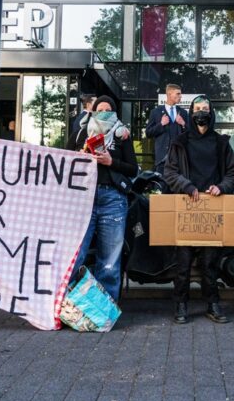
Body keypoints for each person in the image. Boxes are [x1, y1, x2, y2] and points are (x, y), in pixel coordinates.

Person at [164, 95, 234, 324]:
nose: (201, 112)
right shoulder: (180, 142)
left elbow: (232, 173)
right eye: (197, 109)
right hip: (186, 209)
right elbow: (169, 172)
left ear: (211, 112)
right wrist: (186, 185)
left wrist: (222, 187)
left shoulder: (221, 143)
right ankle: (180, 305)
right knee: (183, 263)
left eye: (205, 108)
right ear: (191, 112)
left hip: (212, 209)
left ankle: (212, 304)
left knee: (210, 263)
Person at [68, 96, 137, 302]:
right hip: (83, 198)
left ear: (115, 113)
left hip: (113, 199)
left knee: (109, 260)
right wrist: (80, 155)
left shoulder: (121, 135)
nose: (104, 112)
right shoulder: (80, 133)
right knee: (75, 254)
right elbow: (64, 160)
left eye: (109, 109)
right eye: (100, 109)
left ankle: (104, 310)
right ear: (92, 110)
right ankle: (68, 306)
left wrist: (110, 161)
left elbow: (132, 168)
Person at [145, 84, 189, 173]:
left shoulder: (183, 113)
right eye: (178, 94)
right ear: (169, 94)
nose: (180, 96)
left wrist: (183, 123)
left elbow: (191, 133)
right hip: (162, 160)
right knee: (161, 186)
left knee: (178, 186)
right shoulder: (155, 112)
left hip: (179, 159)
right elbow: (148, 133)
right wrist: (161, 124)